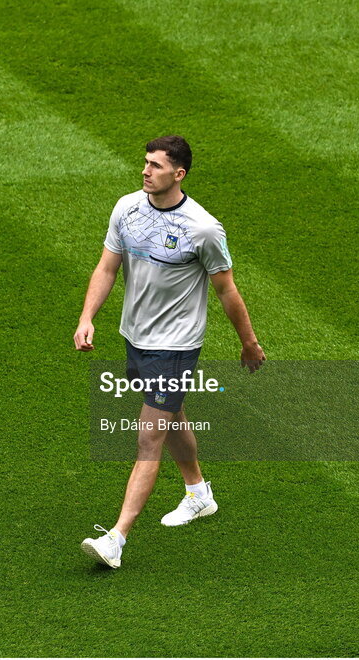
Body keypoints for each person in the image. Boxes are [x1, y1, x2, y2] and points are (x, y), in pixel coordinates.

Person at [73, 135, 265, 569]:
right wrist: (87, 317)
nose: (145, 171)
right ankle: (199, 494)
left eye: (155, 166)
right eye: (145, 163)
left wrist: (248, 342)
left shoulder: (203, 229)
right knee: (170, 413)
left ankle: (116, 538)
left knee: (148, 435)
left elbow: (226, 289)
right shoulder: (127, 208)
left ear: (178, 174)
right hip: (135, 336)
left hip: (175, 346)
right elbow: (107, 266)